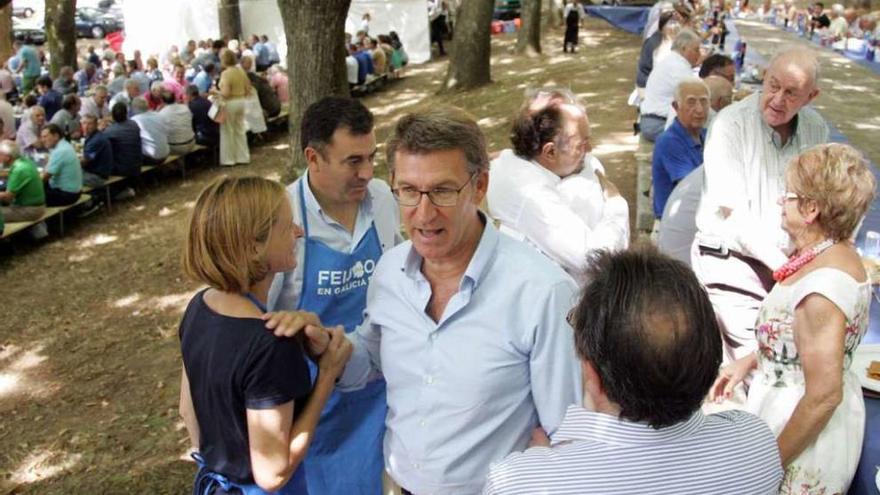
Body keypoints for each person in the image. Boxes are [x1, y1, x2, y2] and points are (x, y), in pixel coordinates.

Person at [331, 109, 581, 494]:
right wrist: (331, 351)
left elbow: (567, 430)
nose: (424, 213)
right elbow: (373, 360)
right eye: (409, 191)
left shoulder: (542, 292)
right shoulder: (388, 272)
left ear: (480, 186)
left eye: (443, 191)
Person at [484, 247, 785, 495]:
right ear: (710, 355)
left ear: (594, 376)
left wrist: (550, 465)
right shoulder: (755, 444)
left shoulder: (518, 483)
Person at [710, 143, 875, 494]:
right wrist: (748, 362)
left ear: (811, 208)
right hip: (792, 414)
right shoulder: (830, 253)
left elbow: (823, 396)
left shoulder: (822, 290)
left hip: (805, 437)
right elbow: (801, 341)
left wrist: (770, 464)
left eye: (788, 195)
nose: (779, 202)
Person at [179, 175, 353, 495]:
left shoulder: (200, 307)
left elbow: (188, 411)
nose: (299, 233)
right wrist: (328, 373)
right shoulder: (270, 344)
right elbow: (271, 473)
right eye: (288, 226)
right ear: (254, 244)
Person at [267, 96, 402, 495]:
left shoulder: (382, 199)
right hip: (316, 403)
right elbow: (255, 318)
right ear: (313, 158)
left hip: (383, 386)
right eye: (352, 161)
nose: (367, 172)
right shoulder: (280, 218)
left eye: (371, 157)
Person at [692, 46, 828, 362]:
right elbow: (734, 216)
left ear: (811, 97)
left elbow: (817, 200)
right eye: (773, 86)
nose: (778, 99)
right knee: (764, 358)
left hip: (788, 263)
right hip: (731, 260)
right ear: (763, 78)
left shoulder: (815, 129)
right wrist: (786, 269)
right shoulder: (731, 124)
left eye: (792, 93)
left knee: (809, 349)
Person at [488, 88, 629, 281]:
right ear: (550, 152)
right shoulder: (531, 193)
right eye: (582, 144)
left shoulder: (521, 160)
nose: (590, 149)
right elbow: (594, 260)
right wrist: (617, 205)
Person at [652, 78, 709, 219]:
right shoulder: (669, 142)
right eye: (691, 102)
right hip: (674, 221)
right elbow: (691, 189)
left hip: (697, 214)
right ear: (676, 106)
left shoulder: (707, 135)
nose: (699, 109)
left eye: (703, 101)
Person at [640, 29, 703, 142]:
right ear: (684, 49)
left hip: (652, 121)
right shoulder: (678, 66)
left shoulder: (672, 61)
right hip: (657, 124)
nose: (699, 54)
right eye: (696, 50)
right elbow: (696, 94)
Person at [217, 49, 253, 166]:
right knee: (240, 130)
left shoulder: (226, 73)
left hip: (230, 103)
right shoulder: (240, 71)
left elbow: (226, 93)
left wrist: (215, 92)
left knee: (227, 131)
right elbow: (248, 89)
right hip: (241, 101)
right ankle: (243, 157)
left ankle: (228, 159)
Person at [0, 140, 45, 222]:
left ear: (7, 157)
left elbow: (8, 198)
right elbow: (9, 173)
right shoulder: (24, 161)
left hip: (30, 210)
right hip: (36, 205)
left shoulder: (19, 170)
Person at [40, 124, 82, 207]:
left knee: (29, 196)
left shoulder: (60, 151)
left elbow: (44, 177)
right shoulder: (65, 145)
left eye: (45, 137)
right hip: (74, 191)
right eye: (42, 137)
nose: (42, 140)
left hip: (67, 195)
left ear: (56, 136)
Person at [636, 11, 676, 89]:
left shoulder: (677, 42)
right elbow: (643, 72)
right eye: (671, 24)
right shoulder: (653, 43)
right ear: (663, 28)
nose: (674, 27)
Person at [103, 102, 143, 181]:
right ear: (126, 113)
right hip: (137, 165)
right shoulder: (134, 124)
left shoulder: (110, 131)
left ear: (113, 115)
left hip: (122, 168)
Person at [130, 96, 170, 164]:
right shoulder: (158, 115)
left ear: (134, 109)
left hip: (151, 158)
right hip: (165, 154)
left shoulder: (134, 120)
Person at [80, 115, 114, 189]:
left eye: (89, 124)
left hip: (97, 177)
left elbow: (84, 161)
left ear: (96, 125)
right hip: (98, 173)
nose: (86, 127)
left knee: (66, 176)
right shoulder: (95, 136)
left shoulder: (96, 140)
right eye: (84, 123)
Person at [158, 91, 195, 155]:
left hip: (175, 147)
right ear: (175, 98)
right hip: (191, 142)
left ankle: (176, 164)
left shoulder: (162, 113)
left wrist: (157, 110)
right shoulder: (185, 107)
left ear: (162, 101)